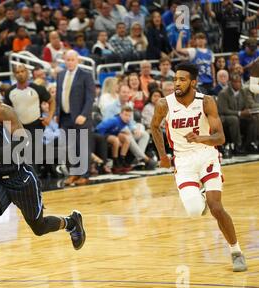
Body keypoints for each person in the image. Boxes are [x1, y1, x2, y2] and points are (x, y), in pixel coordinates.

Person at [0, 75, 86, 288]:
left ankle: (71, 222)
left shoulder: (2, 111)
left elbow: (23, 141)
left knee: (39, 227)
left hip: (20, 177)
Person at [150, 62, 248, 272]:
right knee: (195, 211)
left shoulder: (206, 102)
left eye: (182, 79)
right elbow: (154, 126)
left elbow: (220, 138)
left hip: (206, 155)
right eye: (175, 79)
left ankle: (236, 251)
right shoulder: (163, 104)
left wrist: (200, 138)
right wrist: (162, 155)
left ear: (193, 82)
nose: (177, 83)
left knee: (216, 207)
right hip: (183, 160)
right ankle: (199, 197)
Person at [4, 64, 56, 172]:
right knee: (25, 154)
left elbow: (52, 101)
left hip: (36, 125)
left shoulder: (37, 88)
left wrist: (49, 118)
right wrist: (9, 127)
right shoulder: (10, 92)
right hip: (19, 127)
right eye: (17, 72)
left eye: (22, 71)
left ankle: (34, 178)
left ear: (27, 73)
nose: (20, 74)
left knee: (32, 152)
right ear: (14, 75)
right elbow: (6, 111)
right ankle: (30, 178)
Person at [56, 50, 95, 186]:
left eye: (73, 59)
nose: (70, 62)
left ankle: (84, 174)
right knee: (70, 147)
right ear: (64, 60)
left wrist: (84, 114)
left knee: (83, 146)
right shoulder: (60, 75)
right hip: (65, 116)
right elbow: (58, 96)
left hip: (81, 117)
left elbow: (90, 98)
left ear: (77, 60)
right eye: (68, 59)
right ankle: (74, 173)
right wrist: (57, 113)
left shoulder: (86, 75)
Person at [217, 73, 259, 155]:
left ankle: (249, 144)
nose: (238, 84)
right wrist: (240, 113)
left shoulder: (242, 92)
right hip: (224, 117)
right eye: (235, 82)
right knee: (234, 119)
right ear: (231, 83)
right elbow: (223, 110)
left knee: (254, 118)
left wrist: (248, 111)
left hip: (239, 116)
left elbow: (246, 105)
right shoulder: (223, 93)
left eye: (239, 82)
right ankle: (237, 146)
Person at [96, 105, 133, 173]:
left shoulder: (125, 122)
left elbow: (116, 130)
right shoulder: (114, 120)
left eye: (129, 116)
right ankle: (115, 162)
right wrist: (101, 139)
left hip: (112, 134)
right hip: (101, 134)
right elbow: (100, 128)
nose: (127, 117)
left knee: (127, 139)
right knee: (116, 140)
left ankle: (122, 160)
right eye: (125, 115)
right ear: (121, 114)